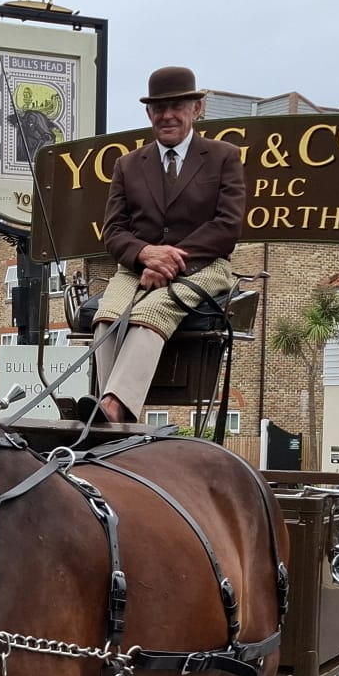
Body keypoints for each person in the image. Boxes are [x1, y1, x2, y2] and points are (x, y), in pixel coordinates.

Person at [90, 65, 247, 424]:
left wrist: (171, 261)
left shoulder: (223, 157)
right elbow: (113, 231)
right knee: (105, 318)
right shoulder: (128, 165)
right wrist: (145, 254)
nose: (168, 115)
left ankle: (112, 409)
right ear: (149, 114)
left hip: (204, 266)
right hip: (136, 267)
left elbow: (227, 226)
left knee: (149, 316)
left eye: (177, 106)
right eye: (159, 108)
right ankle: (116, 417)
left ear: (197, 108)